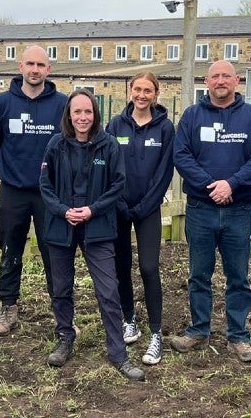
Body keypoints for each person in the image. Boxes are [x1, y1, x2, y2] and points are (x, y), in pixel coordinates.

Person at [39, 90, 145, 382]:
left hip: (97, 227)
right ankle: (65, 337)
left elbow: (117, 184)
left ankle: (118, 353)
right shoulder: (55, 145)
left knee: (109, 290)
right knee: (61, 287)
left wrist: (92, 209)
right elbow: (44, 186)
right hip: (62, 226)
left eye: (88, 112)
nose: (82, 118)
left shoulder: (108, 145)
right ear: (69, 115)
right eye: (77, 112)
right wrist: (63, 211)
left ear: (95, 114)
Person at [171, 60, 251, 363]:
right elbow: (181, 155)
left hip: (238, 210)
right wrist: (212, 185)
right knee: (199, 274)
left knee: (237, 276)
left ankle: (238, 336)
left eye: (227, 75)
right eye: (215, 76)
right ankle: (199, 328)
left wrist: (232, 185)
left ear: (237, 80)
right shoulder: (192, 116)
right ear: (207, 81)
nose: (221, 81)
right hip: (201, 208)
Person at [0, 45, 69, 336]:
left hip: (50, 194)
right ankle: (8, 307)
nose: (35, 69)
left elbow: (69, 145)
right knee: (10, 250)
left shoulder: (62, 104)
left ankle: (61, 311)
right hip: (13, 191)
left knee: (54, 252)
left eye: (40, 65)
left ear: (49, 69)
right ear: (20, 67)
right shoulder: (2, 104)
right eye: (30, 64)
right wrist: (13, 168)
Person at [106, 71, 175, 365]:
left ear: (156, 94)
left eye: (148, 90)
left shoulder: (165, 128)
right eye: (138, 89)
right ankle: (129, 319)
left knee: (148, 268)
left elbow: (164, 172)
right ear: (130, 92)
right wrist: (119, 202)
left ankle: (156, 334)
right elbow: (108, 166)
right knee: (121, 266)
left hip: (148, 210)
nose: (142, 95)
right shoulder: (115, 124)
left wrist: (147, 204)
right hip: (118, 208)